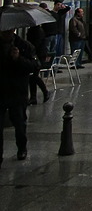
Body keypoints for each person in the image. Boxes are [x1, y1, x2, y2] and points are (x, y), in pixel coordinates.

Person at [0, 28, 39, 166]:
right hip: (1, 90)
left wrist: (18, 59)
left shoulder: (24, 45)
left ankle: (22, 148)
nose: (6, 33)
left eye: (9, 30)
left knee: (19, 123)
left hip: (17, 91)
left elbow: (35, 66)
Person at [26, 24, 50, 105]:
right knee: (32, 77)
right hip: (36, 55)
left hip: (38, 55)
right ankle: (33, 97)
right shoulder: (33, 30)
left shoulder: (38, 31)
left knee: (34, 76)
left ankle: (45, 91)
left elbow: (36, 44)